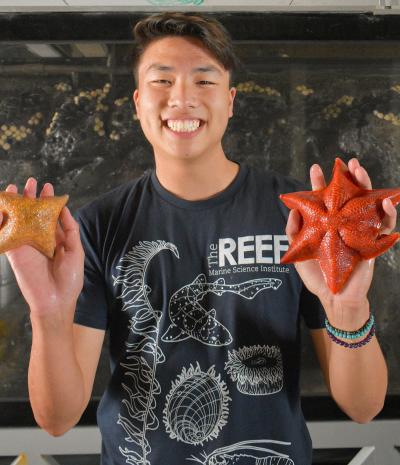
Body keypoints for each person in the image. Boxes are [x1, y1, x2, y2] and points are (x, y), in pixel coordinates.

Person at [1, 11, 395, 465]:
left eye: (204, 82)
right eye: (162, 81)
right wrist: (48, 313)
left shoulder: (298, 219)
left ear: (230, 101)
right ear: (136, 103)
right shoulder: (93, 227)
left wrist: (347, 307)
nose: (182, 98)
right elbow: (57, 419)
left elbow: (364, 407)